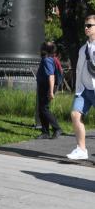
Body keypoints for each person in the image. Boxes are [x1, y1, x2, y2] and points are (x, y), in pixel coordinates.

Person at [67, 15, 95, 160]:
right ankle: (81, 149)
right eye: (85, 25)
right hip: (83, 90)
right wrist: (78, 88)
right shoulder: (83, 48)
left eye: (89, 25)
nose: (86, 28)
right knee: (75, 115)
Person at [36, 41, 63, 139]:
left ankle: (57, 128)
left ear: (45, 49)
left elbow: (51, 76)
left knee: (44, 109)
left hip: (47, 87)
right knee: (41, 109)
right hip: (44, 86)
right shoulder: (50, 58)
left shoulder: (47, 60)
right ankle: (45, 132)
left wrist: (51, 91)